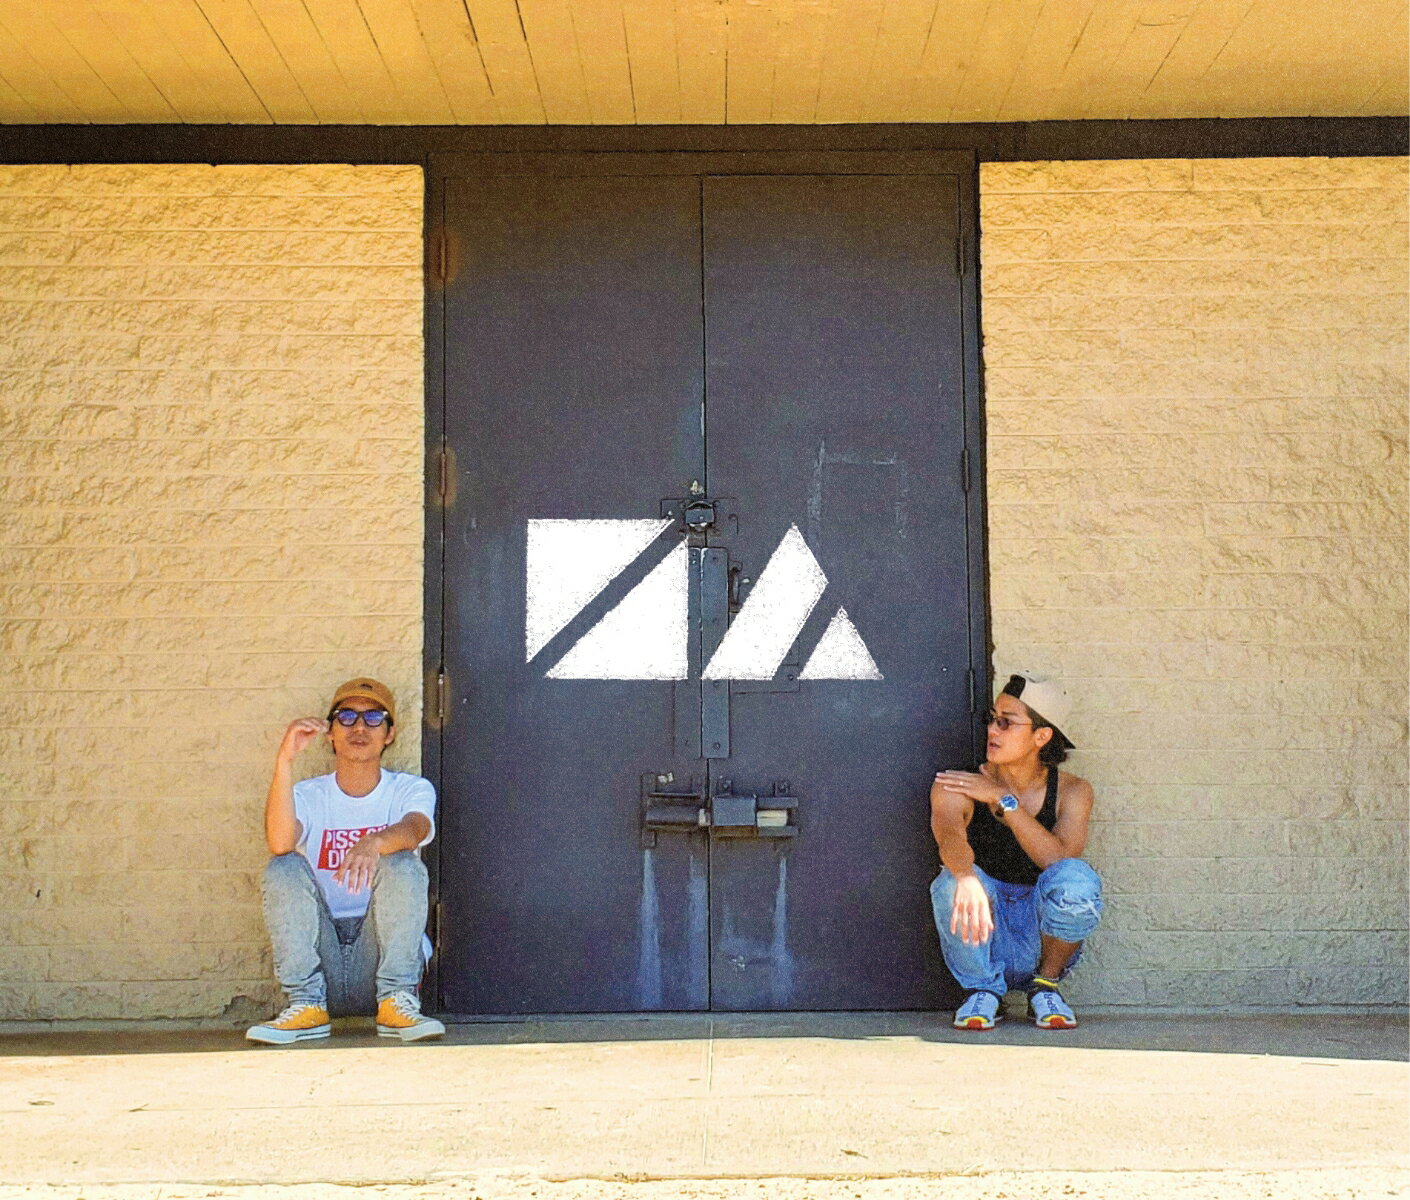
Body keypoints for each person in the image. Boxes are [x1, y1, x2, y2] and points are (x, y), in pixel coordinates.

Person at [246, 677, 445, 1044]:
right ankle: (305, 1005)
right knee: (283, 866)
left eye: (374, 717)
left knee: (403, 862)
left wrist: (374, 843)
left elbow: (416, 828)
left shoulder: (409, 788)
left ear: (389, 734)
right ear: (330, 733)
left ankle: (397, 1001)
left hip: (379, 956)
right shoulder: (309, 794)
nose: (359, 727)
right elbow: (279, 841)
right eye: (347, 716)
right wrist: (285, 761)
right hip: (322, 959)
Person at [929, 673, 1103, 1030]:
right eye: (991, 718)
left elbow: (1058, 862)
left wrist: (1002, 799)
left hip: (1040, 938)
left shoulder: (1073, 791)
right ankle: (983, 990)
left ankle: (1045, 987)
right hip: (984, 932)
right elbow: (949, 836)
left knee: (1078, 879)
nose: (992, 730)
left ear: (1042, 736)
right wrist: (965, 876)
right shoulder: (957, 783)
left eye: (1006, 723)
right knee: (951, 881)